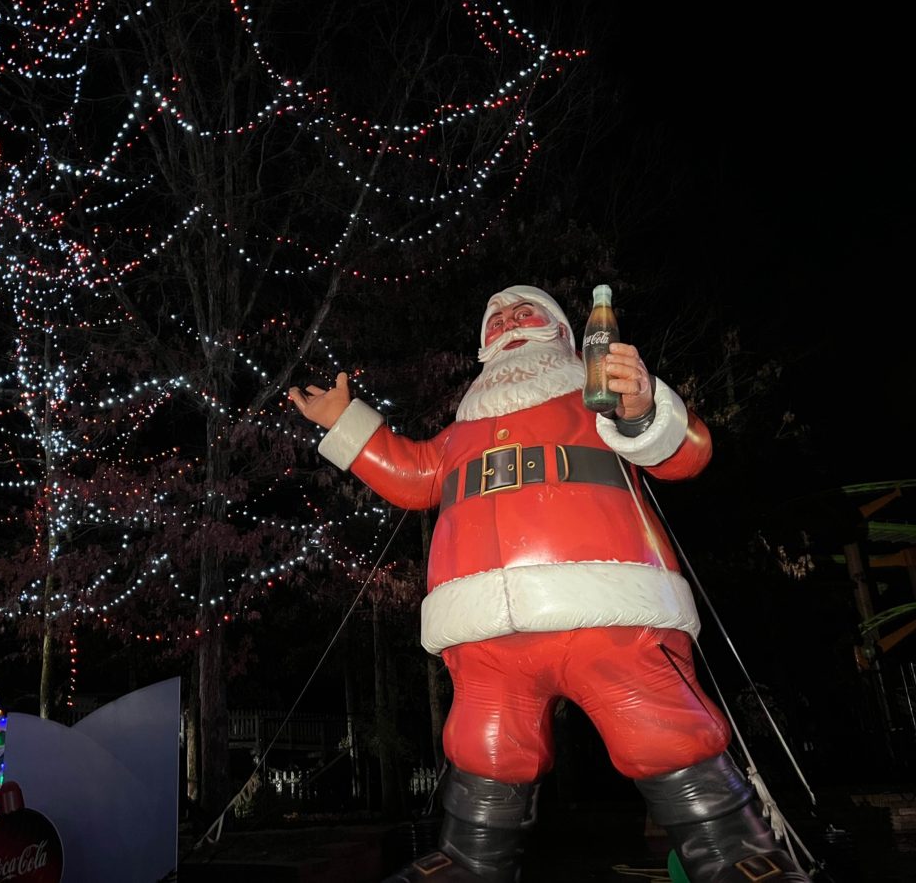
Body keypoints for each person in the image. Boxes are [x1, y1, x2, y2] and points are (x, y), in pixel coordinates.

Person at [288, 285, 809, 882]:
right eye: (497, 319)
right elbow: (411, 477)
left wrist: (639, 406)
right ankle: (467, 861)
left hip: (610, 612)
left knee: (661, 727)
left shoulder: (596, 401)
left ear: (562, 332)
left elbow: (683, 456)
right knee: (486, 744)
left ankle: (734, 853)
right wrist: (345, 423)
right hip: (484, 628)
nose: (509, 322)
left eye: (524, 312)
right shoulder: (459, 436)